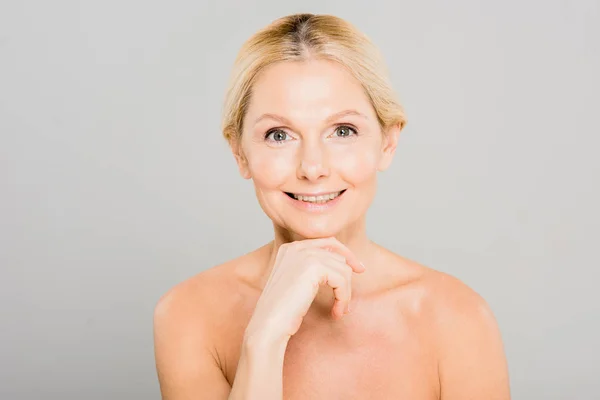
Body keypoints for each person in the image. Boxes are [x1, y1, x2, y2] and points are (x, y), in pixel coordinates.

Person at [153, 12, 510, 400]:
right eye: (278, 134)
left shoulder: (457, 319)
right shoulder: (188, 315)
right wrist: (263, 338)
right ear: (240, 152)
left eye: (343, 131)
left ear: (387, 142)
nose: (313, 168)